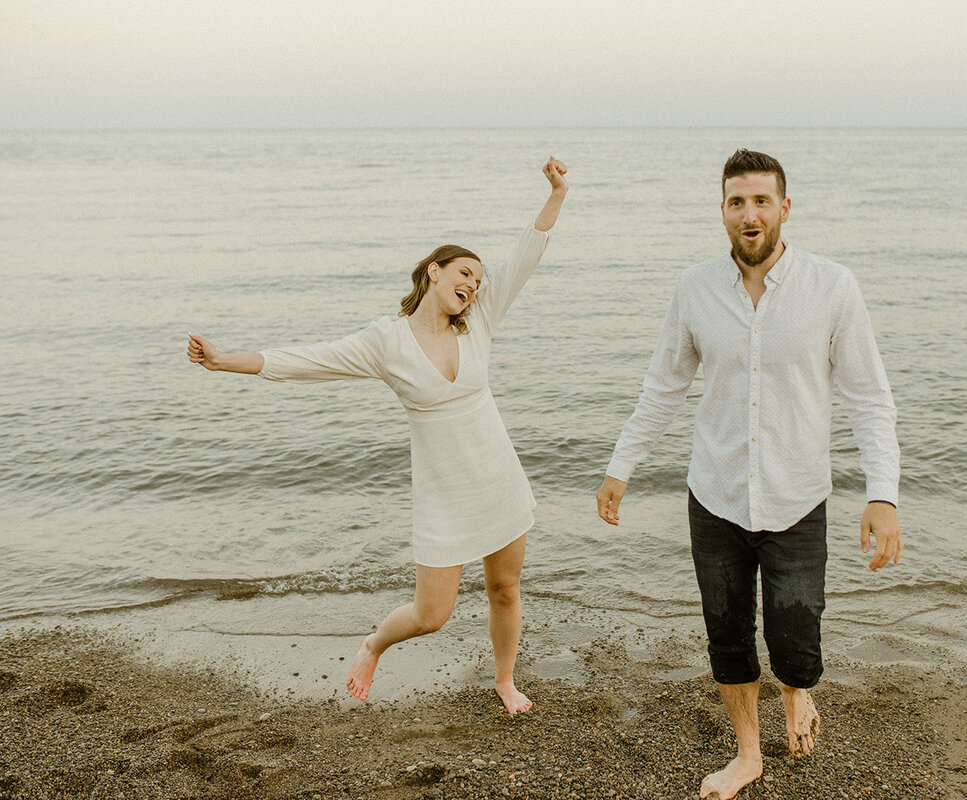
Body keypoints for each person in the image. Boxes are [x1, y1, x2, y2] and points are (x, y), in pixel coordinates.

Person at [188, 157, 569, 714]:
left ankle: (505, 681)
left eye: (479, 280)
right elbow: (307, 360)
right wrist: (224, 362)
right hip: (444, 493)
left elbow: (529, 251)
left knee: (505, 590)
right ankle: (373, 645)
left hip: (497, 476)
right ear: (434, 272)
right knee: (431, 615)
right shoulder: (385, 342)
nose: (473, 284)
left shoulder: (481, 318)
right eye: (464, 272)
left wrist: (558, 192)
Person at [595, 149, 901, 799]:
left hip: (797, 495)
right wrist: (620, 467)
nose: (750, 213)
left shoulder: (832, 287)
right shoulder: (695, 288)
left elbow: (869, 397)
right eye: (737, 201)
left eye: (762, 200)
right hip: (717, 494)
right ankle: (747, 755)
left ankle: (796, 695)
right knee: (728, 637)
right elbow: (663, 386)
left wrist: (883, 496)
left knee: (796, 638)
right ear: (723, 212)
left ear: (785, 209)